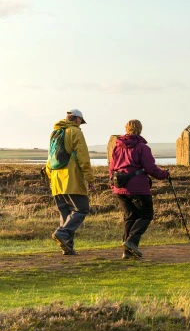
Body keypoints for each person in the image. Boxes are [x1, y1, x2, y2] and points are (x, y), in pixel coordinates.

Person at [108, 119, 170, 259]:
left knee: (129, 217)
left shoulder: (117, 147)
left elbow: (111, 169)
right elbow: (151, 168)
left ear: (126, 129)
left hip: (120, 187)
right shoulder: (142, 147)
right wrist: (164, 175)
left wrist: (113, 185)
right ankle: (131, 242)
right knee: (146, 215)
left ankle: (127, 251)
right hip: (138, 188)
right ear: (140, 129)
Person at [45, 109, 95, 255]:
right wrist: (90, 179)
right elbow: (83, 157)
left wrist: (51, 178)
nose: (80, 124)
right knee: (81, 209)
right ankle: (62, 233)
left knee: (65, 213)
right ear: (77, 119)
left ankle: (67, 246)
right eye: (80, 121)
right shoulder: (75, 132)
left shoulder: (55, 133)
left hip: (56, 180)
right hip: (72, 179)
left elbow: (50, 158)